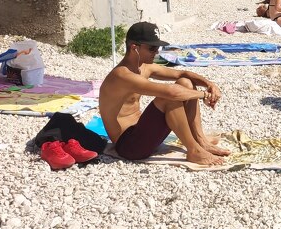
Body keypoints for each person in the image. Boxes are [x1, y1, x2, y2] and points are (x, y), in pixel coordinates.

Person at [98, 22, 228, 165]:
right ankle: (194, 151)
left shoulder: (144, 67)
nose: (157, 52)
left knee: (185, 82)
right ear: (134, 47)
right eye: (152, 48)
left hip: (143, 133)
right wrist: (204, 95)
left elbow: (182, 73)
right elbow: (171, 92)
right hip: (129, 146)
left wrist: (210, 85)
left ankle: (200, 140)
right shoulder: (121, 75)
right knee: (168, 98)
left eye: (158, 48)